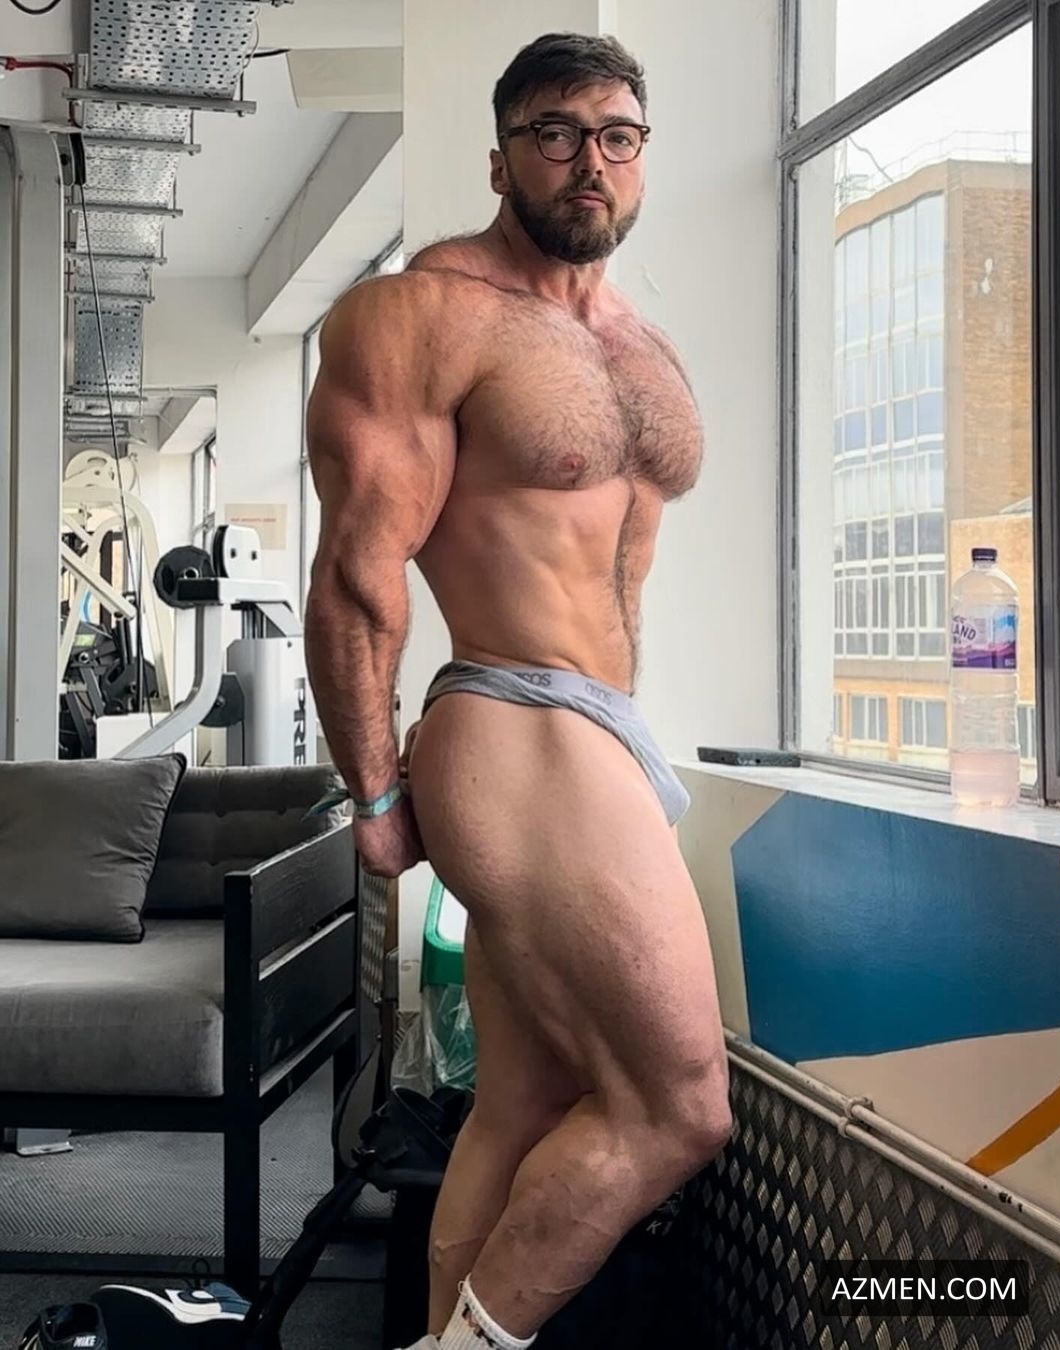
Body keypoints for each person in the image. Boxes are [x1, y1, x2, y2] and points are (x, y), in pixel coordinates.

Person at [304, 31, 732, 1350]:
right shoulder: (423, 314)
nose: (589, 161)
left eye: (617, 136)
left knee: (529, 1101)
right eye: (555, 133)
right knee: (678, 1107)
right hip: (511, 715)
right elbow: (359, 572)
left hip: (603, 736)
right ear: (501, 159)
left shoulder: (643, 348)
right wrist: (374, 791)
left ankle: (438, 1329)